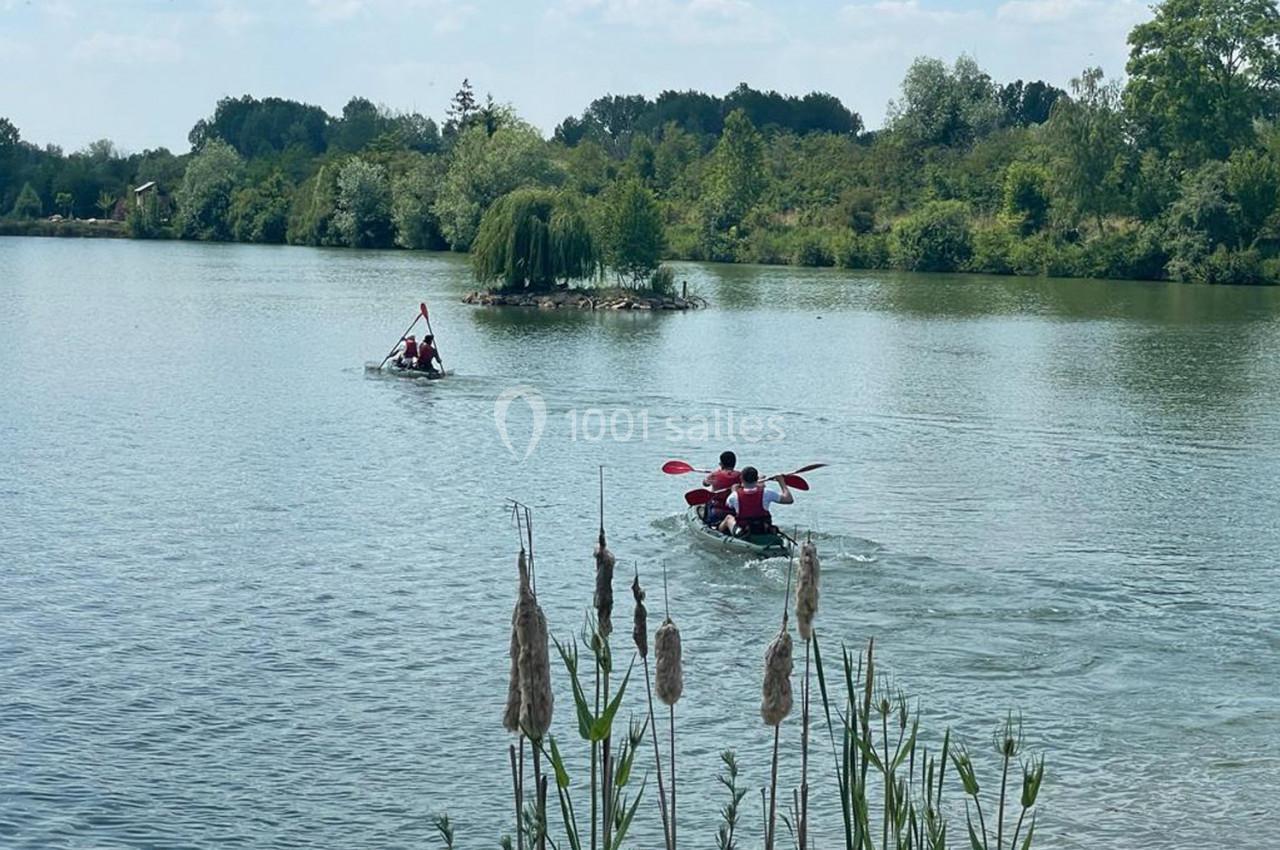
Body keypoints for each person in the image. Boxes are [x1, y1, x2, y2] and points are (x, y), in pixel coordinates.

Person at [719, 466, 793, 537]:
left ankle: (718, 532)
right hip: (763, 528)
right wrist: (781, 482)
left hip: (744, 530)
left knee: (728, 518)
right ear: (757, 479)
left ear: (741, 479)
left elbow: (728, 505)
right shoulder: (767, 492)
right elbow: (789, 499)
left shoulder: (734, 496)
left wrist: (734, 490)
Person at [701, 451, 741, 525]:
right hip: (734, 511)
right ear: (735, 463)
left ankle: (706, 521)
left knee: (707, 500)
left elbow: (705, 484)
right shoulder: (741, 475)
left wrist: (706, 480)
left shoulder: (715, 474)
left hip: (717, 512)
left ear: (721, 464)